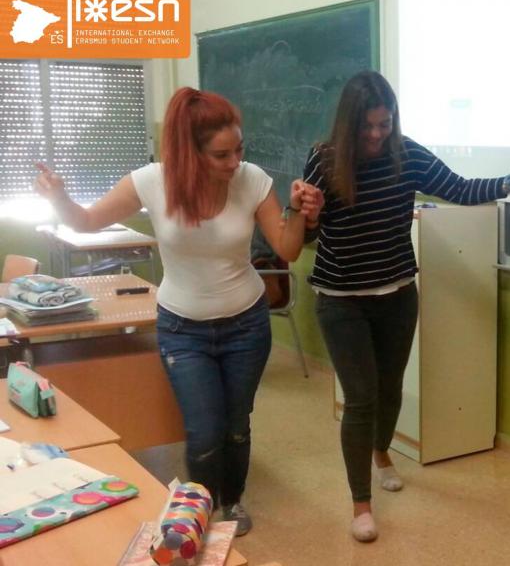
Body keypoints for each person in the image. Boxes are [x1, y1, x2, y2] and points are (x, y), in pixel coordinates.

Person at [34, 87, 323, 536]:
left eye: (239, 149)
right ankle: (198, 511)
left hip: (246, 325)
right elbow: (85, 221)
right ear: (189, 152)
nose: (235, 162)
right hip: (183, 330)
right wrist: (59, 198)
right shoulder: (152, 181)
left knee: (236, 426)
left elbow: (287, 248)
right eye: (221, 154)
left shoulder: (252, 180)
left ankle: (231, 501)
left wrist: (300, 211)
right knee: (204, 431)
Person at [302, 70, 510, 542]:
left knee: (390, 388)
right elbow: (307, 235)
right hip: (341, 300)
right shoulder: (325, 159)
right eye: (367, 126)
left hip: (398, 294)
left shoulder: (407, 154)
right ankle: (361, 503)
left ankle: (381, 452)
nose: (377, 135)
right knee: (361, 398)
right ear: (349, 123)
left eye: (385, 124)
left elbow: (459, 188)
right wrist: (307, 214)